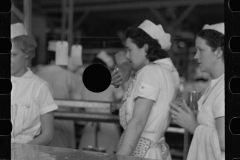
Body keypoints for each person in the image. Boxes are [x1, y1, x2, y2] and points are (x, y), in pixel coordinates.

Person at [116, 20, 180, 160]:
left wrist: (120, 157)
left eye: (129, 49)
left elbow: (138, 122)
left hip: (142, 150)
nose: (127, 55)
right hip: (154, 150)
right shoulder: (165, 71)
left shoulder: (149, 72)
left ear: (145, 48)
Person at [170, 23, 225, 160]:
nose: (196, 56)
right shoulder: (215, 85)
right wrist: (192, 116)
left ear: (218, 52)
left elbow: (225, 141)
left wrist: (193, 126)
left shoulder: (224, 88)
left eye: (201, 50)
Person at [11, 23, 58, 145]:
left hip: (25, 153)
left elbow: (48, 134)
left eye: (13, 55)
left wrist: (21, 152)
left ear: (26, 53)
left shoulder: (39, 87)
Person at [79, 51, 124, 154]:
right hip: (108, 124)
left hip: (90, 124)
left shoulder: (85, 80)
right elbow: (121, 99)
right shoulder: (112, 80)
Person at [35, 50, 83, 149]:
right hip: (65, 117)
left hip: (40, 120)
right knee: (62, 151)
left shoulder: (37, 74)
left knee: (42, 151)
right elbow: (77, 101)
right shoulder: (68, 75)